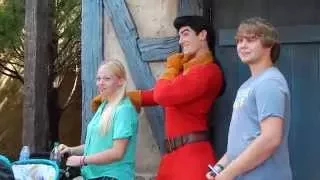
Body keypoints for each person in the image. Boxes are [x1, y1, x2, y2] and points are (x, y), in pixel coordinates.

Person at [93, 16, 225, 179]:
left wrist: (171, 67)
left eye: (185, 34)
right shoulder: (189, 71)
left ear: (202, 35)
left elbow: (163, 94)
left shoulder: (208, 71)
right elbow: (156, 95)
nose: (181, 41)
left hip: (192, 158)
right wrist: (117, 97)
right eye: (179, 36)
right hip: (172, 157)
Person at [206, 17, 292, 180]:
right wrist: (219, 167)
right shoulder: (248, 85)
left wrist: (228, 174)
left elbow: (270, 138)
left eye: (251, 40)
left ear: (269, 44)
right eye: (239, 40)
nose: (242, 45)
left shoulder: (270, 82)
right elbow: (243, 141)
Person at [59, 60, 138, 180]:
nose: (100, 83)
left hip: (112, 176)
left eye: (107, 79)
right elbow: (95, 146)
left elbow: (117, 152)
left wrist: (82, 160)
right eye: (98, 78)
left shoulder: (124, 110)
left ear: (121, 81)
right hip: (93, 175)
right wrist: (71, 150)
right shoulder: (104, 105)